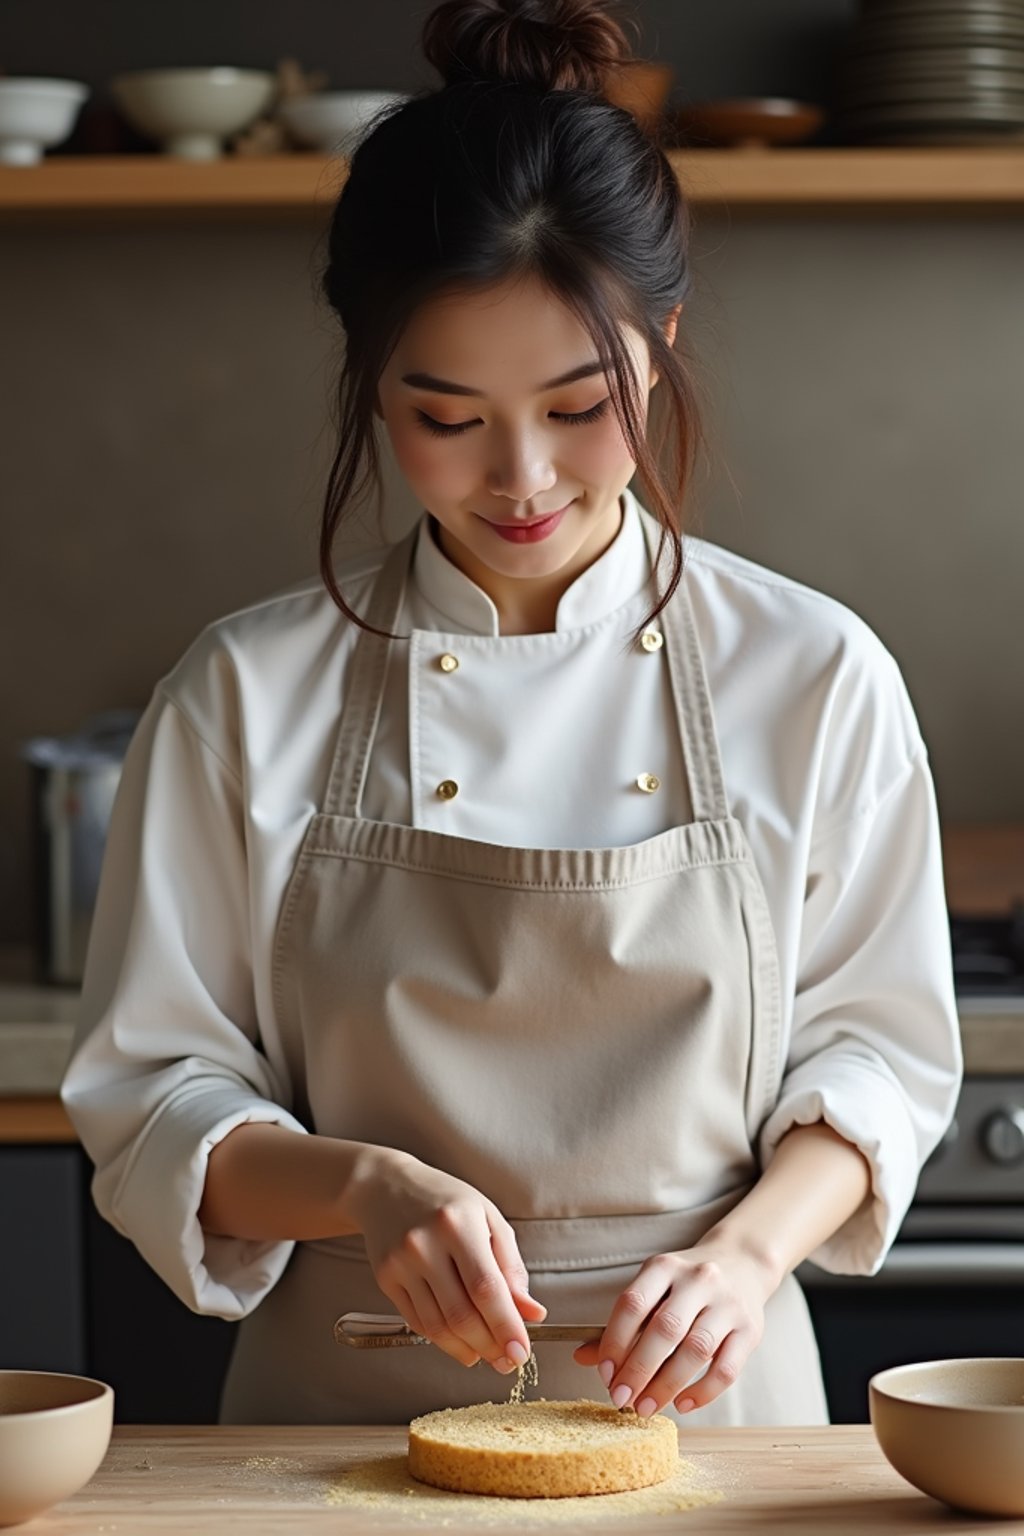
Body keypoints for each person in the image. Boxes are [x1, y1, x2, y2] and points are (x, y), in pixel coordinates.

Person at [61, 0, 962, 1428]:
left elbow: (880, 1059)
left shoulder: (812, 672)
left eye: (577, 402)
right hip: (339, 1401)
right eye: (445, 414)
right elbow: (153, 1100)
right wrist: (366, 1183)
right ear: (369, 381)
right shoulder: (243, 693)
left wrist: (744, 1255)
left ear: (657, 343)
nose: (523, 475)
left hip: (708, 1411)